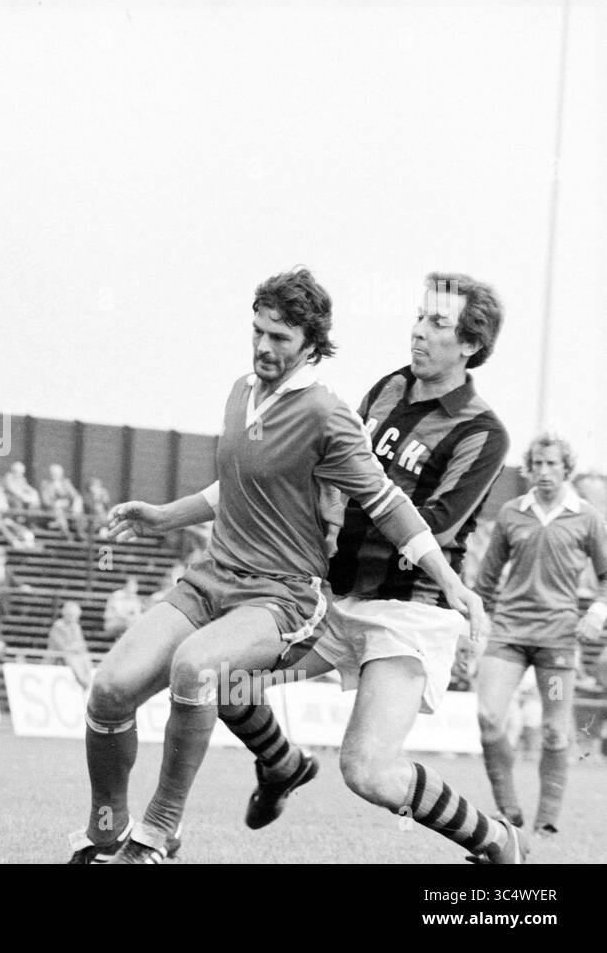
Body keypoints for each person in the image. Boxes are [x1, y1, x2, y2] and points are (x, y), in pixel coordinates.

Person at [71, 269, 493, 866]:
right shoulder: (241, 391)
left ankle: (158, 836)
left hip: (282, 595)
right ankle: (106, 834)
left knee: (199, 670)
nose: (265, 347)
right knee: (109, 691)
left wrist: (451, 582)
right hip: (212, 578)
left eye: (281, 338)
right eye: (259, 331)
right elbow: (241, 484)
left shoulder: (327, 413)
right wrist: (166, 516)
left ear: (311, 344)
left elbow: (384, 500)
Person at [209, 271, 518, 865]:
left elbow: (432, 522)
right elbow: (328, 463)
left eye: (436, 323)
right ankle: (282, 764)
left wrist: (334, 500)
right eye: (419, 317)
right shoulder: (387, 389)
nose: (418, 332)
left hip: (407, 612)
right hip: (333, 597)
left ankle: (495, 841)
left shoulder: (484, 432)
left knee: (369, 771)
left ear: (472, 345)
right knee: (223, 678)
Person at [471, 434, 607, 838]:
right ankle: (509, 811)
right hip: (509, 633)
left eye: (553, 464)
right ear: (529, 469)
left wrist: (598, 612)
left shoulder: (587, 517)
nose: (544, 472)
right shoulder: (513, 513)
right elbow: (487, 580)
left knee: (554, 730)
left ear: (567, 468)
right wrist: (473, 629)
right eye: (538, 465)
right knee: (489, 717)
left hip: (558, 641)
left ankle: (546, 821)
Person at [49, 601, 92, 689]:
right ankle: (83, 681)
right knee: (72, 658)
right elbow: (61, 645)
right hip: (59, 656)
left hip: (74, 654)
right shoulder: (58, 626)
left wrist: (76, 647)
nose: (75, 618)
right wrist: (74, 647)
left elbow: (82, 645)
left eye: (76, 615)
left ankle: (88, 679)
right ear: (66, 614)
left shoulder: (76, 627)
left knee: (85, 657)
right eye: (73, 615)